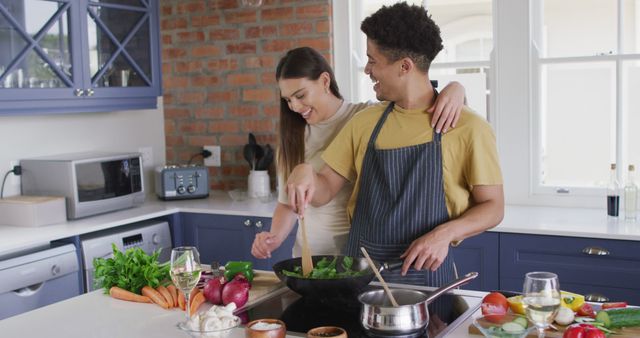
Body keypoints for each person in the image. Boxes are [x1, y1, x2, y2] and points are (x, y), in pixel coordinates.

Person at [285, 3, 504, 287]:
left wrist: (444, 234)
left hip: (426, 279)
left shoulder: (469, 127)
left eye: (372, 60)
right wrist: (303, 171)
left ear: (404, 66)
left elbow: (493, 207)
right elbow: (324, 189)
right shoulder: (364, 122)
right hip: (358, 277)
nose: (367, 69)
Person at [251, 46, 467, 260]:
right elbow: (288, 203)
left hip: (360, 256)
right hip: (309, 258)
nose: (295, 107)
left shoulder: (365, 117)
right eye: (288, 100)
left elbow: (416, 101)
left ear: (325, 81)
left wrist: (456, 89)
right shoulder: (291, 139)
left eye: (300, 95)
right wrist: (275, 237)